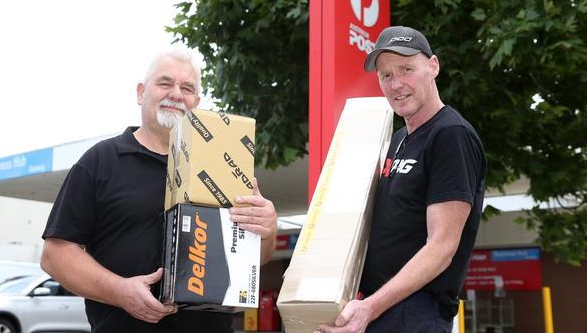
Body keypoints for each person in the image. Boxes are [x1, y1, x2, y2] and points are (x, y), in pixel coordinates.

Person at [40, 45, 278, 333]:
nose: (176, 94)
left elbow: (256, 256)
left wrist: (268, 229)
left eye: (187, 87)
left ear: (196, 102)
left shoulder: (224, 168)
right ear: (141, 93)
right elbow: (55, 255)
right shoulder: (101, 161)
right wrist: (120, 291)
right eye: (165, 83)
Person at [317, 26, 486, 333]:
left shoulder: (450, 134)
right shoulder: (397, 140)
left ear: (433, 66)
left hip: (415, 313)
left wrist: (370, 307)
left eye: (406, 69)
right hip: (378, 310)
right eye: (386, 75)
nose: (396, 84)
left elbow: (442, 247)